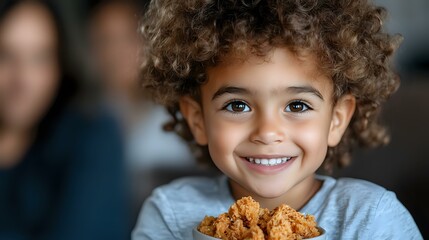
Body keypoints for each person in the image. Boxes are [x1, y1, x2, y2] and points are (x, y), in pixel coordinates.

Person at [132, 0, 423, 239]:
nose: (268, 132)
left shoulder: (371, 219)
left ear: (336, 120)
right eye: (237, 106)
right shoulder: (170, 214)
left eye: (297, 105)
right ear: (198, 120)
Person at [0, 0, 128, 239]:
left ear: (60, 65)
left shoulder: (93, 136)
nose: (23, 80)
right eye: (5, 55)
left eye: (40, 58)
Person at [86, 0, 198, 220]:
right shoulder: (82, 121)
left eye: (127, 37)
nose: (117, 52)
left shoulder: (180, 115)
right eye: (105, 40)